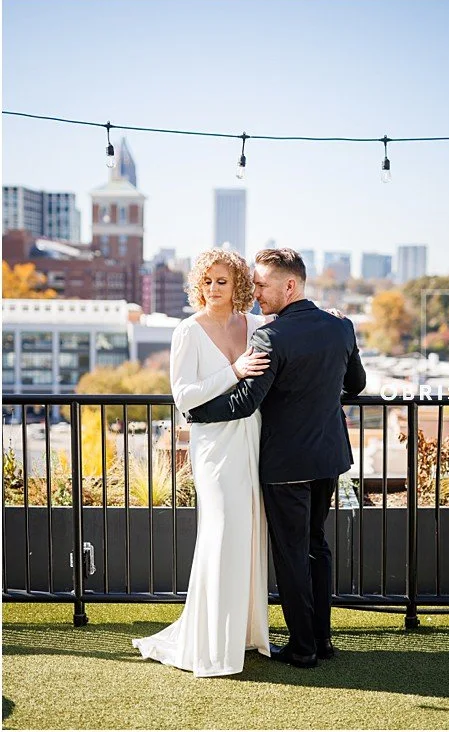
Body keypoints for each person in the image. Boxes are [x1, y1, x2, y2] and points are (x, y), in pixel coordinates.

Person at [186, 248, 367, 670]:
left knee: (291, 555)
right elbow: (356, 384)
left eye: (262, 286)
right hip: (328, 456)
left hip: (286, 464)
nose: (255, 294)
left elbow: (245, 403)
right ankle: (322, 640)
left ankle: (303, 648)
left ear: (289, 286)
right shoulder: (341, 326)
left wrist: (195, 412)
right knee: (316, 546)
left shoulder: (271, 337)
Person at [132, 248, 273, 676]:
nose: (213, 288)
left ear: (238, 285)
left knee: (249, 532)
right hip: (213, 445)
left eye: (222, 281)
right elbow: (184, 397)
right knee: (222, 531)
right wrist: (235, 371)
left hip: (253, 439)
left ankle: (244, 634)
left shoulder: (256, 325)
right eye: (207, 281)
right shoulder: (188, 331)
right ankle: (212, 642)